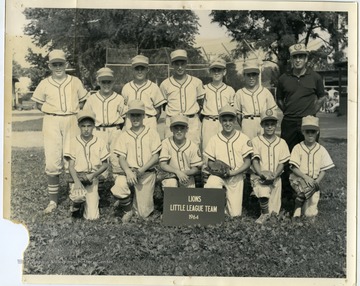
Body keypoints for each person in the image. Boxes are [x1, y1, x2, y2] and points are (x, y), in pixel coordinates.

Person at [31, 49, 89, 213]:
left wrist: (75, 114)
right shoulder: (44, 83)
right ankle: (53, 202)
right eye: (54, 64)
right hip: (51, 120)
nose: (58, 67)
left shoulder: (75, 81)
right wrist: (51, 111)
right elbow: (37, 103)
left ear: (66, 64)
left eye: (60, 64)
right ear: (50, 66)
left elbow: (83, 100)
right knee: (52, 159)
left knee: (73, 158)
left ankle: (76, 198)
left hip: (71, 119)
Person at [111, 100, 161, 222]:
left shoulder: (152, 133)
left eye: (138, 115)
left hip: (146, 173)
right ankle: (127, 208)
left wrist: (140, 171)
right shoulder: (124, 135)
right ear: (128, 116)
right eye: (132, 115)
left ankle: (132, 198)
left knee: (143, 214)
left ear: (144, 116)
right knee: (119, 185)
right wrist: (128, 171)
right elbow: (121, 158)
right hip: (130, 173)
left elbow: (156, 157)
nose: (136, 118)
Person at [203, 105, 253, 217]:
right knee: (211, 184)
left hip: (236, 175)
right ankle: (214, 210)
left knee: (235, 214)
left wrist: (233, 172)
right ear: (220, 121)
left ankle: (227, 207)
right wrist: (217, 169)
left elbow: (248, 162)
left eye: (230, 120)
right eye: (224, 120)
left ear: (235, 120)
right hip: (220, 175)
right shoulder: (214, 139)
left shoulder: (243, 138)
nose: (227, 123)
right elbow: (210, 161)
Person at [276, 43, 326, 152]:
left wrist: (311, 112)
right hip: (289, 121)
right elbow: (279, 99)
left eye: (301, 57)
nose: (298, 60)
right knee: (287, 152)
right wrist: (288, 110)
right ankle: (288, 170)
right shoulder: (283, 78)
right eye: (295, 57)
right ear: (291, 59)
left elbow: (321, 97)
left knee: (309, 152)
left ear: (306, 58)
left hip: (308, 121)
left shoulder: (315, 77)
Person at [64, 110, 109, 220]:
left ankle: (90, 201)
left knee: (92, 217)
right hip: (77, 176)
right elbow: (71, 166)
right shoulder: (73, 142)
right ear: (79, 125)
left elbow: (105, 165)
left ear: (94, 126)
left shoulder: (100, 142)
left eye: (89, 126)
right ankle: (76, 208)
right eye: (83, 126)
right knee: (78, 196)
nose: (86, 129)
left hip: (91, 177)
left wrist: (92, 175)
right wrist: (77, 182)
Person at [83, 67, 126, 177]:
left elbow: (125, 117)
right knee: (98, 160)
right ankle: (99, 189)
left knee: (117, 161)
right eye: (103, 82)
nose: (106, 84)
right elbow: (86, 118)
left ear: (113, 82)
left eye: (109, 82)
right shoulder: (92, 99)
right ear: (98, 82)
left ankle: (119, 189)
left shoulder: (119, 98)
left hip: (115, 130)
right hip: (98, 131)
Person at [289, 116, 335, 218]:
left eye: (313, 132)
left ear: (317, 132)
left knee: (309, 213)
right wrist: (306, 178)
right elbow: (293, 167)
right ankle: (298, 205)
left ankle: (304, 203)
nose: (310, 134)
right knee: (302, 190)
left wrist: (316, 182)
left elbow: (324, 169)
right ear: (303, 132)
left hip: (314, 180)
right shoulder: (298, 147)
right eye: (307, 131)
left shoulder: (321, 149)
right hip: (298, 178)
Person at [250, 109, 290, 224]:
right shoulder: (256, 141)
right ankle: (263, 213)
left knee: (274, 214)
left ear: (276, 125)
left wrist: (275, 175)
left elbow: (282, 163)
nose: (269, 127)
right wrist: (262, 174)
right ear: (262, 125)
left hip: (275, 178)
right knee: (263, 193)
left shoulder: (282, 142)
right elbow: (255, 161)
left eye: (272, 124)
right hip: (259, 176)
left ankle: (268, 211)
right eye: (266, 124)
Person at [160, 49, 205, 145]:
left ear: (186, 64)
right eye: (176, 64)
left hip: (191, 121)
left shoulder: (196, 82)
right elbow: (164, 105)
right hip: (172, 120)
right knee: (171, 151)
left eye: (182, 63)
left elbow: (201, 102)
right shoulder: (165, 84)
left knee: (193, 152)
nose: (180, 67)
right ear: (172, 64)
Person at [234, 60, 277, 140]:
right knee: (248, 147)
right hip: (247, 122)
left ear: (258, 75)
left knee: (263, 147)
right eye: (248, 75)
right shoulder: (240, 93)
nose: (251, 78)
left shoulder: (265, 92)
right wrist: (246, 123)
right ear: (244, 76)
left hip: (263, 122)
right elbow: (238, 115)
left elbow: (272, 112)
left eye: (254, 75)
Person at [122, 55, 166, 131]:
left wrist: (151, 120)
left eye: (142, 68)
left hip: (148, 120)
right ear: (132, 70)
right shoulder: (126, 87)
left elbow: (158, 110)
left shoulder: (153, 87)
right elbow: (123, 108)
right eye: (137, 69)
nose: (140, 71)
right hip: (131, 120)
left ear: (147, 70)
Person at [159, 115, 202, 188]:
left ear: (187, 129)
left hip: (187, 176)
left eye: (182, 128)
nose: (179, 131)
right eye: (176, 128)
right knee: (170, 184)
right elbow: (163, 164)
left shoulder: (193, 146)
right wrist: (177, 172)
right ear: (171, 129)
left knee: (188, 196)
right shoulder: (165, 143)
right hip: (170, 176)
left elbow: (196, 168)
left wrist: (184, 173)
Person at [201, 58, 235, 150]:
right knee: (207, 150)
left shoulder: (230, 90)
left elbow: (232, 111)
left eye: (219, 70)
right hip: (208, 122)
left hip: (223, 123)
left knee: (224, 150)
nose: (216, 73)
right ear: (210, 72)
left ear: (224, 72)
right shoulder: (204, 89)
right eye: (214, 70)